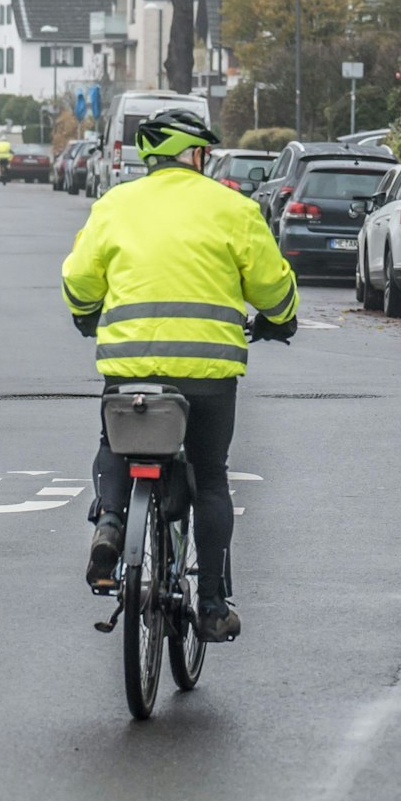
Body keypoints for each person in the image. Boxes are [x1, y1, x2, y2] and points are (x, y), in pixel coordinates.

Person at [59, 108, 297, 643]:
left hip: (130, 369)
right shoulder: (233, 208)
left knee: (115, 443)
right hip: (207, 375)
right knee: (210, 477)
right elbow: (272, 287)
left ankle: (111, 525)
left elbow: (79, 281)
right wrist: (281, 319)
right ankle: (211, 605)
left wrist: (86, 313)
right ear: (195, 155)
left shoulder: (114, 204)